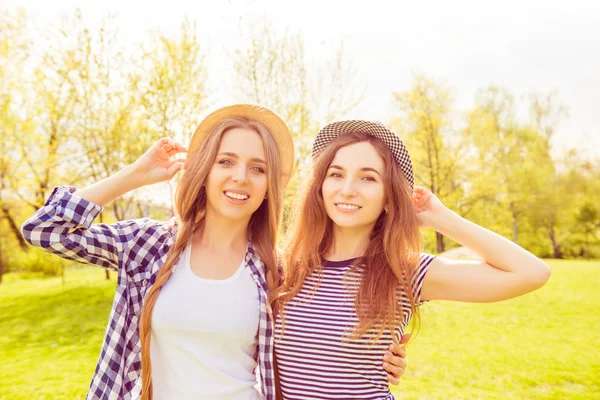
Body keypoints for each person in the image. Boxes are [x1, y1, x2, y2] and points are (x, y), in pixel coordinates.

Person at [21, 106, 407, 400]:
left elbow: (325, 327)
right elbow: (44, 230)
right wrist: (136, 174)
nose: (240, 177)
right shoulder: (148, 245)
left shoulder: (279, 268)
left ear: (269, 185)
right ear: (204, 170)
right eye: (226, 162)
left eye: (257, 168)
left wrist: (380, 357)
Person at [272, 120, 551, 400]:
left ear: (388, 197)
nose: (347, 189)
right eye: (336, 174)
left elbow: (531, 272)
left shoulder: (404, 271)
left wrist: (441, 219)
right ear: (319, 187)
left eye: (368, 178)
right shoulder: (285, 269)